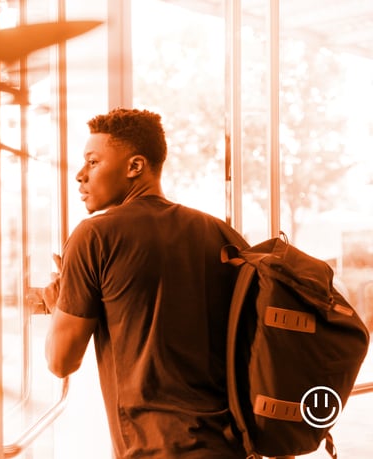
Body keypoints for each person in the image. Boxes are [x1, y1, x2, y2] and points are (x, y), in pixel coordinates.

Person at [43, 108, 249, 458]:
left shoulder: (94, 236)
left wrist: (57, 307)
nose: (80, 175)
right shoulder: (220, 233)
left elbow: (60, 362)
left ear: (135, 166)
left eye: (92, 162)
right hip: (231, 446)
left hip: (154, 449)